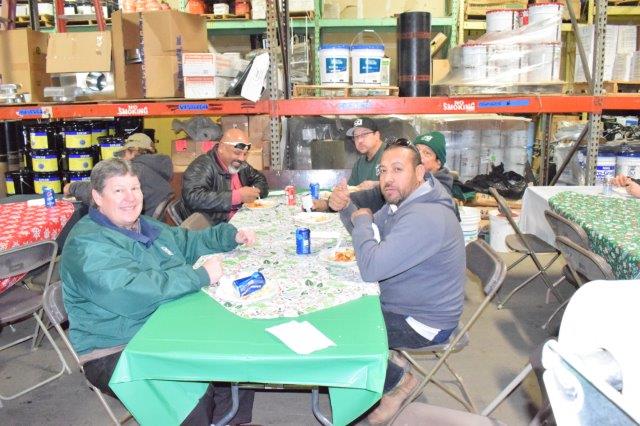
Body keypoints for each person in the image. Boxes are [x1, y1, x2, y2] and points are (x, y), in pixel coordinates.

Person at [60, 158, 256, 425]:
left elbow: (185, 241)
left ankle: (227, 419)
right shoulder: (87, 244)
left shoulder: (142, 225)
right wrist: (199, 275)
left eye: (135, 189)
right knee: (190, 405)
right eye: (119, 191)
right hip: (116, 349)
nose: (130, 198)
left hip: (161, 324)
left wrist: (228, 236)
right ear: (97, 197)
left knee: (236, 350)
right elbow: (133, 293)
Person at [334, 139, 466, 424]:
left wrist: (362, 222)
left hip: (423, 322)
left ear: (420, 172)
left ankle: (398, 383)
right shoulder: (407, 201)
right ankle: (385, 363)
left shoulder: (424, 216)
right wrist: (347, 209)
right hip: (408, 301)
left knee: (338, 328)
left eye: (397, 169)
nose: (387, 179)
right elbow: (366, 233)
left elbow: (370, 266)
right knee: (341, 307)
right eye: (382, 171)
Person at [315, 131, 455, 214]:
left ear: (438, 163)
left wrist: (363, 221)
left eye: (428, 153)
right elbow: (368, 197)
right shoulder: (400, 185)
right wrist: (332, 202)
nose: (421, 156)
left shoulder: (439, 195)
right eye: (383, 170)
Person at [64, 132, 173, 217]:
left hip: (139, 226)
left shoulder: (134, 170)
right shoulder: (155, 168)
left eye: (123, 153)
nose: (121, 158)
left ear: (134, 151)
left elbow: (100, 193)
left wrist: (72, 187)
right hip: (153, 223)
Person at [181, 128, 269, 225]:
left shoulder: (240, 165)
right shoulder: (203, 166)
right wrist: (237, 196)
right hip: (216, 229)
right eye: (237, 152)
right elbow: (193, 197)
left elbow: (260, 179)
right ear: (221, 148)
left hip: (241, 220)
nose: (242, 158)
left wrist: (253, 192)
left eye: (245, 154)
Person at [346, 117, 385, 190]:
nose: (359, 140)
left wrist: (376, 184)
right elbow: (351, 189)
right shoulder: (359, 164)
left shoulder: (391, 153)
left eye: (364, 134)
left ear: (377, 135)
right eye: (356, 136)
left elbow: (404, 183)